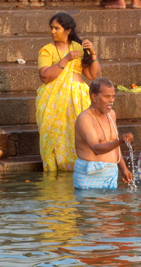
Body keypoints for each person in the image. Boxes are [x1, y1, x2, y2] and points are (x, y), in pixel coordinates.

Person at [36, 13, 102, 172]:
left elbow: (93, 75)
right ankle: (57, 169)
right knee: (57, 136)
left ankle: (81, 166)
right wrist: (66, 59)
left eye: (56, 28)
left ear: (67, 30)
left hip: (78, 98)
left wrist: (93, 54)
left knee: (79, 132)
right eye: (51, 28)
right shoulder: (47, 50)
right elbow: (45, 76)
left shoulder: (78, 48)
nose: (52, 31)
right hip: (54, 102)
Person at [74, 78, 134, 189]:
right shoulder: (85, 118)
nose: (111, 100)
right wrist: (120, 141)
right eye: (107, 97)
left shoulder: (111, 114)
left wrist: (124, 168)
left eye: (113, 96)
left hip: (111, 174)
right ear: (94, 97)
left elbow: (113, 143)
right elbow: (96, 148)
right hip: (89, 178)